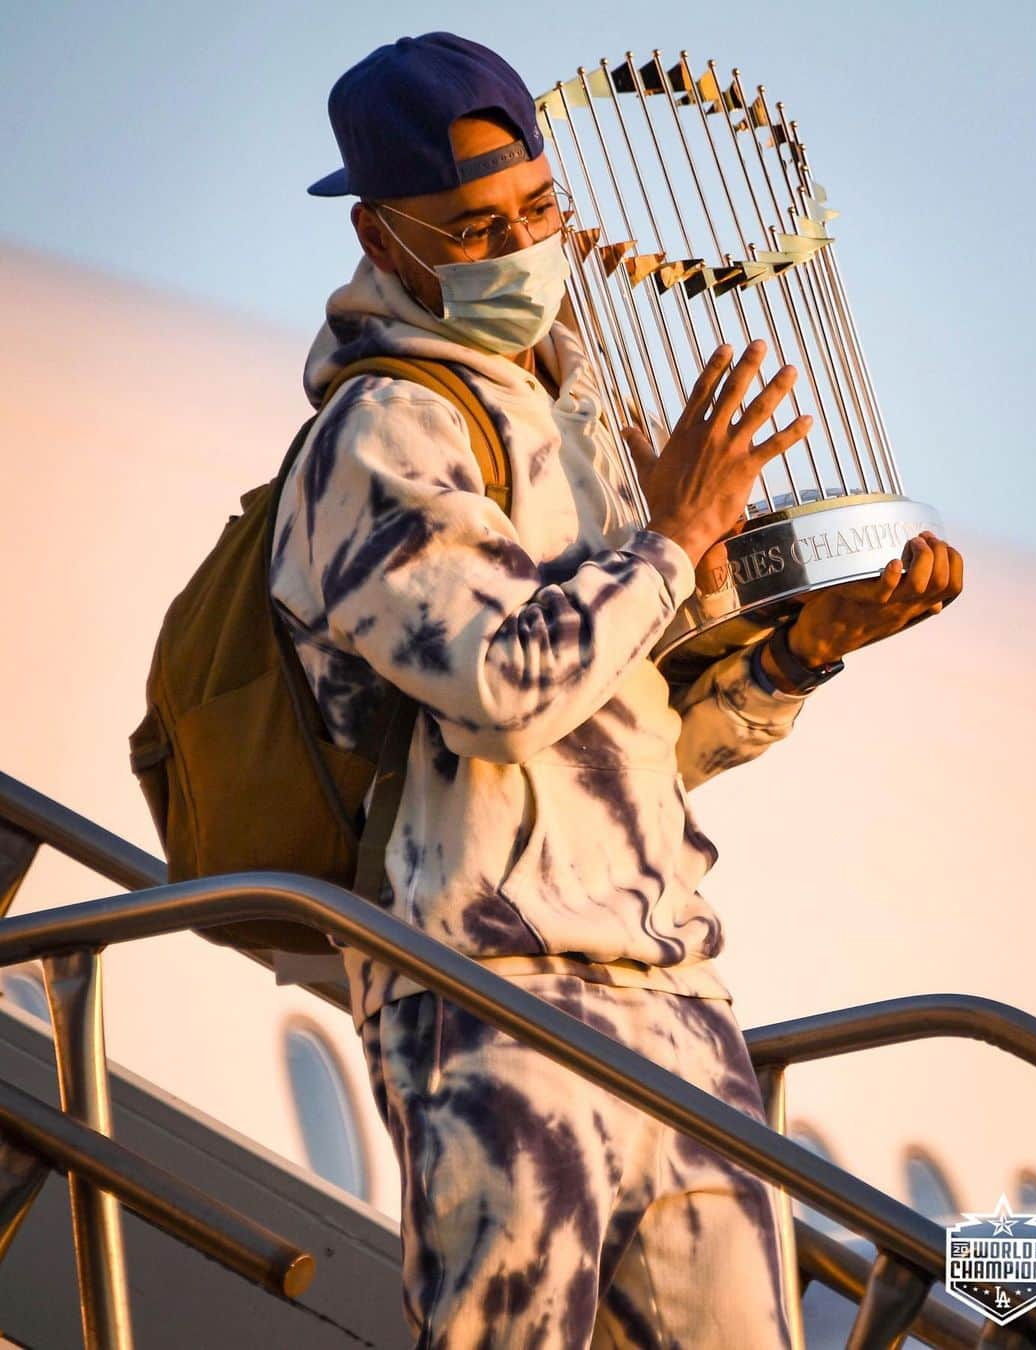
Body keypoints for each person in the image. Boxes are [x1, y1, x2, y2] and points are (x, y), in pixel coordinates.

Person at [272, 32, 963, 1348]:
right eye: (476, 225)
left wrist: (809, 647)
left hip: (673, 996)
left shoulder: (590, 420)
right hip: (492, 997)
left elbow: (631, 748)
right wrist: (676, 534)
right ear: (381, 234)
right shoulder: (382, 431)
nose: (524, 246)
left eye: (539, 208)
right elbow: (500, 690)